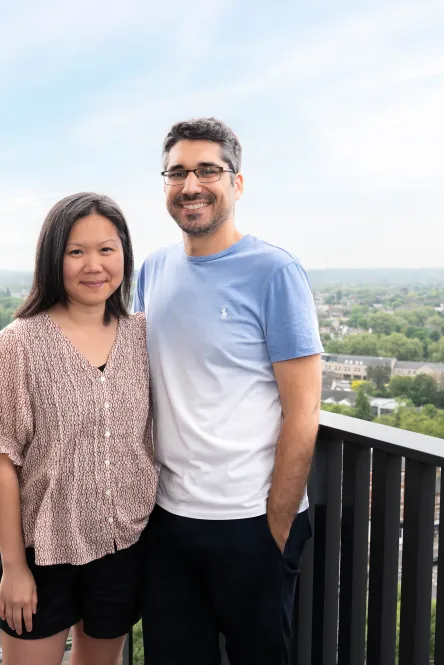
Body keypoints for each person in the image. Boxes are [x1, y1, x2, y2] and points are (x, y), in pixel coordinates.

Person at [134, 118, 323, 665]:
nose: (190, 185)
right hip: (168, 520)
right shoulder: (152, 269)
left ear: (236, 183)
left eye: (207, 170)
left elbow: (304, 411)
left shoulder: (275, 272)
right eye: (177, 173)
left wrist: (276, 526)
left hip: (249, 522)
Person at [0, 192, 158, 665]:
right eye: (76, 251)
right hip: (42, 550)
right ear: (53, 259)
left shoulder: (142, 336)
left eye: (106, 249)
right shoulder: (18, 344)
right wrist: (15, 567)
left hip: (123, 543)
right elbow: (0, 463)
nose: (94, 265)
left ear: (124, 254)